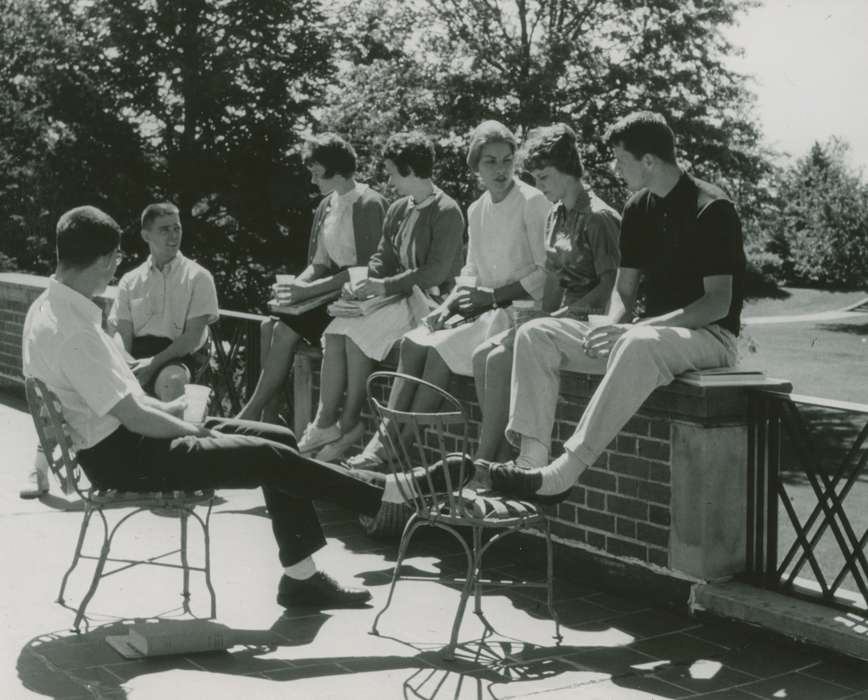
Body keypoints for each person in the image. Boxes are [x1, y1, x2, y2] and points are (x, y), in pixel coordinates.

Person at [22, 206, 461, 607]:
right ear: (103, 260)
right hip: (124, 456)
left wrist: (177, 413)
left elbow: (125, 405)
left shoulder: (50, 307)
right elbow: (133, 416)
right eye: (115, 261)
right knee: (267, 457)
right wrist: (191, 429)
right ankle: (385, 493)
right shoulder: (74, 330)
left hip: (126, 436)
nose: (114, 269)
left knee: (278, 437)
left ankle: (300, 577)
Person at [481, 112, 745, 501]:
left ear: (649, 161)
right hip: (645, 336)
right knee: (536, 334)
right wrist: (614, 323)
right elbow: (624, 289)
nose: (615, 168)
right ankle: (531, 463)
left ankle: (563, 473)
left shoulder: (713, 208)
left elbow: (716, 304)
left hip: (710, 339)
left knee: (640, 342)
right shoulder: (639, 206)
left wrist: (635, 329)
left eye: (621, 160)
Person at [346, 120, 550, 469]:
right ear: (476, 166)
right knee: (414, 341)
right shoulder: (476, 209)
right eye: (490, 161)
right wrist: (450, 306)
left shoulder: (532, 202)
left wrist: (491, 297)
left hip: (517, 312)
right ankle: (384, 439)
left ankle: (396, 447)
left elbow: (544, 274)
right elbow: (470, 272)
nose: (500, 170)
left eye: (507, 160)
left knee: (439, 352)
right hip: (483, 309)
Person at [296, 132, 465, 462]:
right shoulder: (400, 208)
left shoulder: (447, 211)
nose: (388, 179)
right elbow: (382, 256)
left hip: (425, 302)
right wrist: (364, 281)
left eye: (391, 172)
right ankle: (325, 423)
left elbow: (434, 272)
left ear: (410, 170)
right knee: (338, 329)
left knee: (357, 335)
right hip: (391, 296)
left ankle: (348, 424)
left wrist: (383, 286)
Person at [470, 123, 621, 462]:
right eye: (535, 178)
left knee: (496, 361)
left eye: (544, 177)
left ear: (568, 171)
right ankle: (499, 455)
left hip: (589, 325)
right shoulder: (555, 214)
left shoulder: (599, 218)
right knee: (483, 355)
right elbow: (552, 278)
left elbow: (612, 288)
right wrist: (540, 315)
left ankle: (486, 461)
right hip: (555, 322)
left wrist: (556, 317)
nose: (537, 186)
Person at [236, 134, 387, 423]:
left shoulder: (370, 203)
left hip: (355, 296)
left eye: (317, 174)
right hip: (329, 290)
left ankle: (252, 412)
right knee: (268, 325)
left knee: (281, 331)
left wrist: (307, 291)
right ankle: (269, 413)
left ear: (336, 170)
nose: (313, 181)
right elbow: (319, 262)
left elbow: (367, 268)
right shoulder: (326, 205)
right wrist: (295, 286)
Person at [109, 202, 219, 398]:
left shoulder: (198, 277)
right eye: (165, 230)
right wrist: (124, 364)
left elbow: (192, 338)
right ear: (146, 235)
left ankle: (171, 428)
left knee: (171, 383)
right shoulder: (130, 280)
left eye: (177, 228)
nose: (173, 235)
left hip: (176, 356)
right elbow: (122, 333)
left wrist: (152, 364)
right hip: (134, 355)